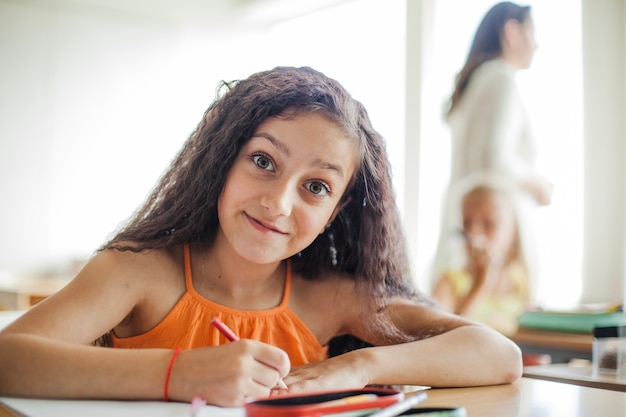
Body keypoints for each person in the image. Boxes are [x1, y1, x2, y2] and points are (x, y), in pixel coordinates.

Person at [0, 66, 522, 407]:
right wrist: (180, 374)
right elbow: (9, 358)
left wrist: (359, 366)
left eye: (315, 186)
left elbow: (499, 355)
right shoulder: (136, 271)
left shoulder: (334, 297)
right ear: (223, 161)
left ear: (335, 211)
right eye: (263, 161)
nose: (279, 203)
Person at [433, 2, 552, 305]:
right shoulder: (500, 79)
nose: (537, 45)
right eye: (532, 33)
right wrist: (536, 184)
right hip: (489, 214)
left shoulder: (477, 81)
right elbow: (496, 158)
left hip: (465, 212)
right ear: (512, 32)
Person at [432, 174, 529, 337]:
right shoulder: (447, 283)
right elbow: (442, 339)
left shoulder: (519, 280)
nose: (474, 233)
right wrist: (480, 284)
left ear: (513, 231)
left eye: (488, 224)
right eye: (467, 223)